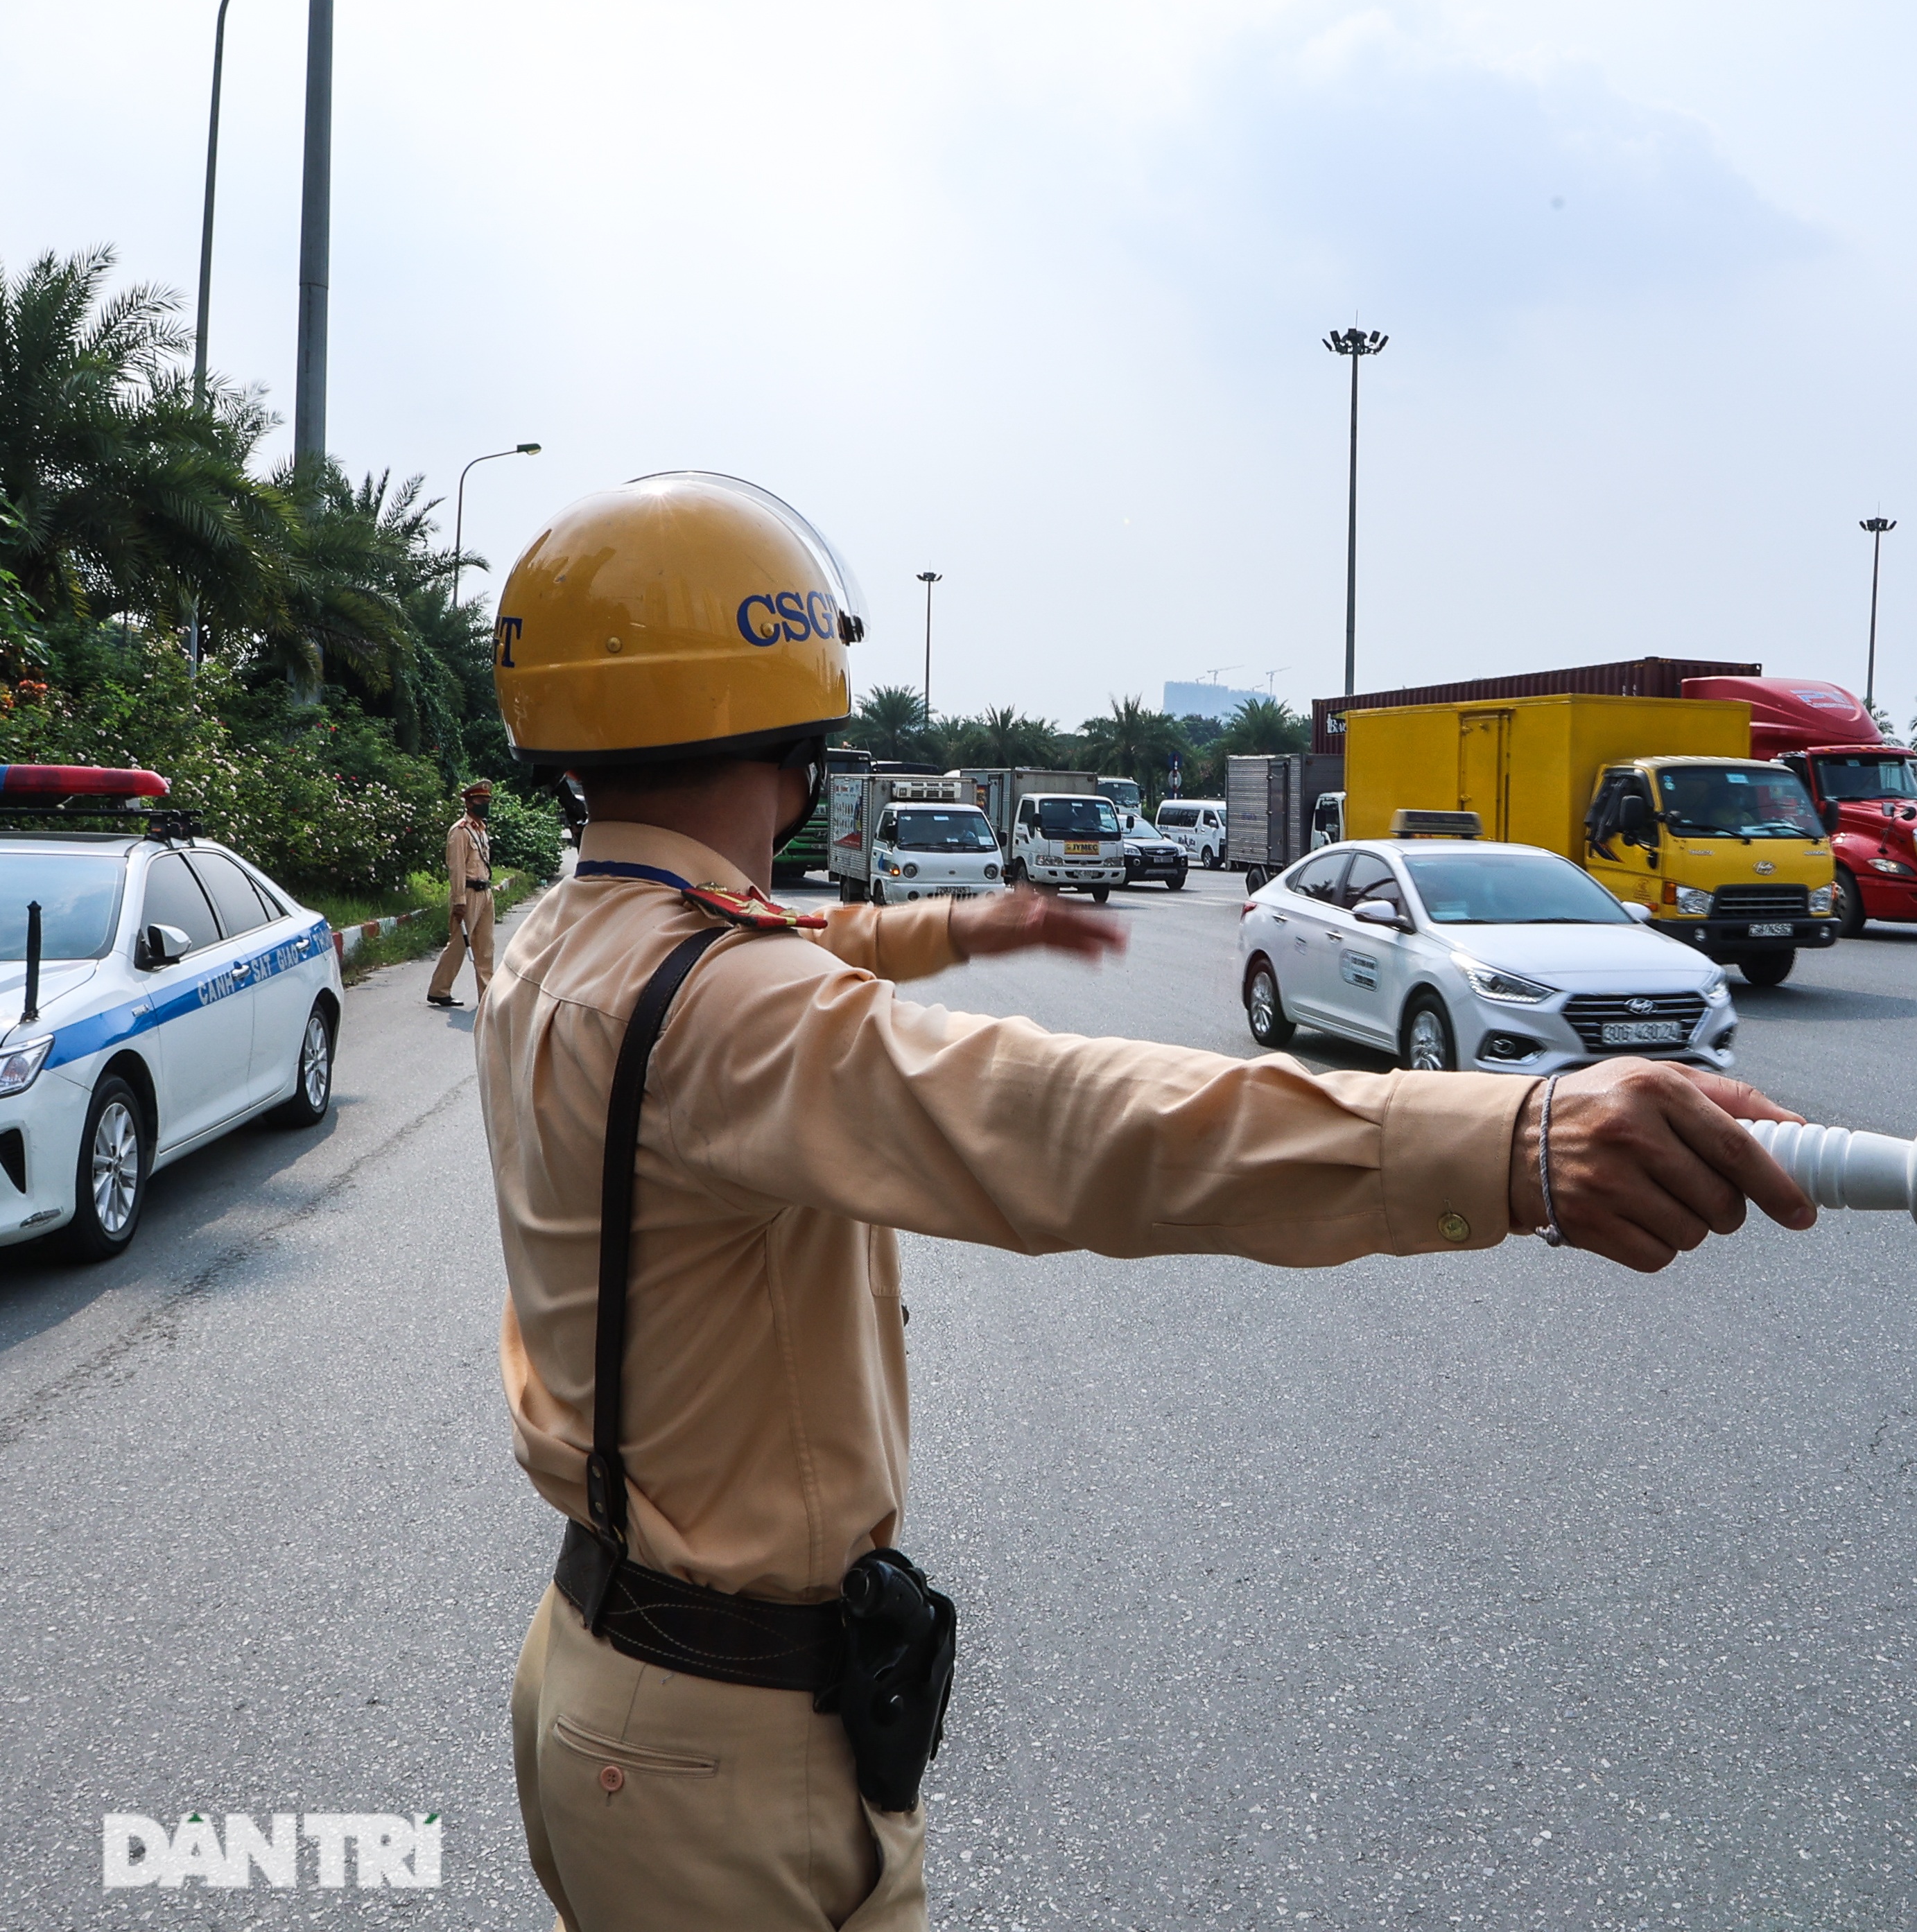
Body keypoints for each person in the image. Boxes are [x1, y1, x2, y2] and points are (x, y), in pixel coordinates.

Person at [476, 473, 1816, 1932]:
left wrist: (969, 921)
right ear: (799, 740)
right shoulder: (727, 1009)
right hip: (720, 1757)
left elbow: (811, 934)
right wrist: (1522, 1134)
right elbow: (1071, 1124)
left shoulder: (560, 943)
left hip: (595, 1669)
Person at [428, 780, 500, 1007]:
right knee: (460, 944)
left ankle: (487, 994)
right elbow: (457, 867)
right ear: (469, 803)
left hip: (485, 891)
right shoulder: (460, 831)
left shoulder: (480, 830)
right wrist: (459, 901)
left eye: (488, 801)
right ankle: (439, 990)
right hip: (468, 892)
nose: (485, 805)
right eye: (481, 801)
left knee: (486, 946)